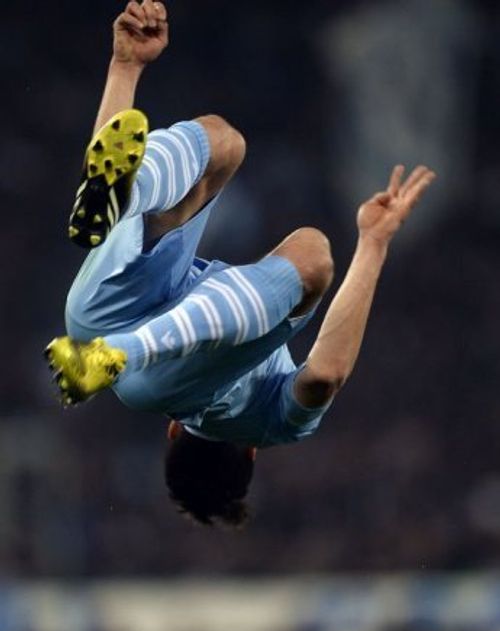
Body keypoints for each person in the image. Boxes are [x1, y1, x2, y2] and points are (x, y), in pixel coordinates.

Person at [45, 0, 436, 526]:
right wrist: (125, 67)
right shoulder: (174, 410)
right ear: (173, 434)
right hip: (92, 325)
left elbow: (326, 376)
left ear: (250, 453)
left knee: (312, 256)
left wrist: (372, 244)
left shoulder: (270, 424)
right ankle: (125, 193)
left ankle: (121, 345)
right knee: (223, 146)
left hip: (132, 355)